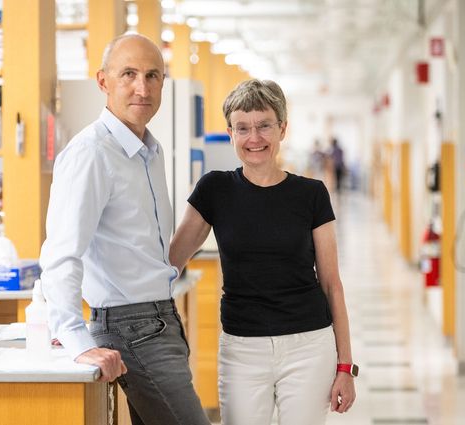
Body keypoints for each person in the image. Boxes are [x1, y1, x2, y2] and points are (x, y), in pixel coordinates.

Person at [39, 34, 210, 425]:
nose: (142, 87)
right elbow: (63, 251)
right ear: (103, 82)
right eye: (128, 74)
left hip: (160, 319)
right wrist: (75, 339)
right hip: (130, 328)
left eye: (153, 76)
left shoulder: (151, 151)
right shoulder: (91, 154)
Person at [170, 79, 356, 425]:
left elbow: (332, 284)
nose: (254, 138)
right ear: (230, 133)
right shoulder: (215, 189)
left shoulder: (311, 194)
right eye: (243, 128)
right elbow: (170, 262)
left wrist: (345, 365)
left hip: (308, 346)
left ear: (282, 128)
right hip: (242, 347)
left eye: (264, 125)